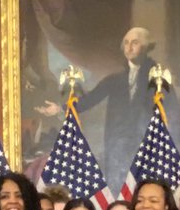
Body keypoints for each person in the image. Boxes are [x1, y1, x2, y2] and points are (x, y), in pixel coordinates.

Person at [37, 27, 159, 183]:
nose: (129, 47)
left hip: (145, 143)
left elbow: (170, 109)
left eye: (135, 43)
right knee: (117, 185)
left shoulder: (157, 78)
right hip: (117, 144)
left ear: (146, 46)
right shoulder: (115, 79)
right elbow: (91, 99)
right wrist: (60, 108)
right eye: (126, 43)